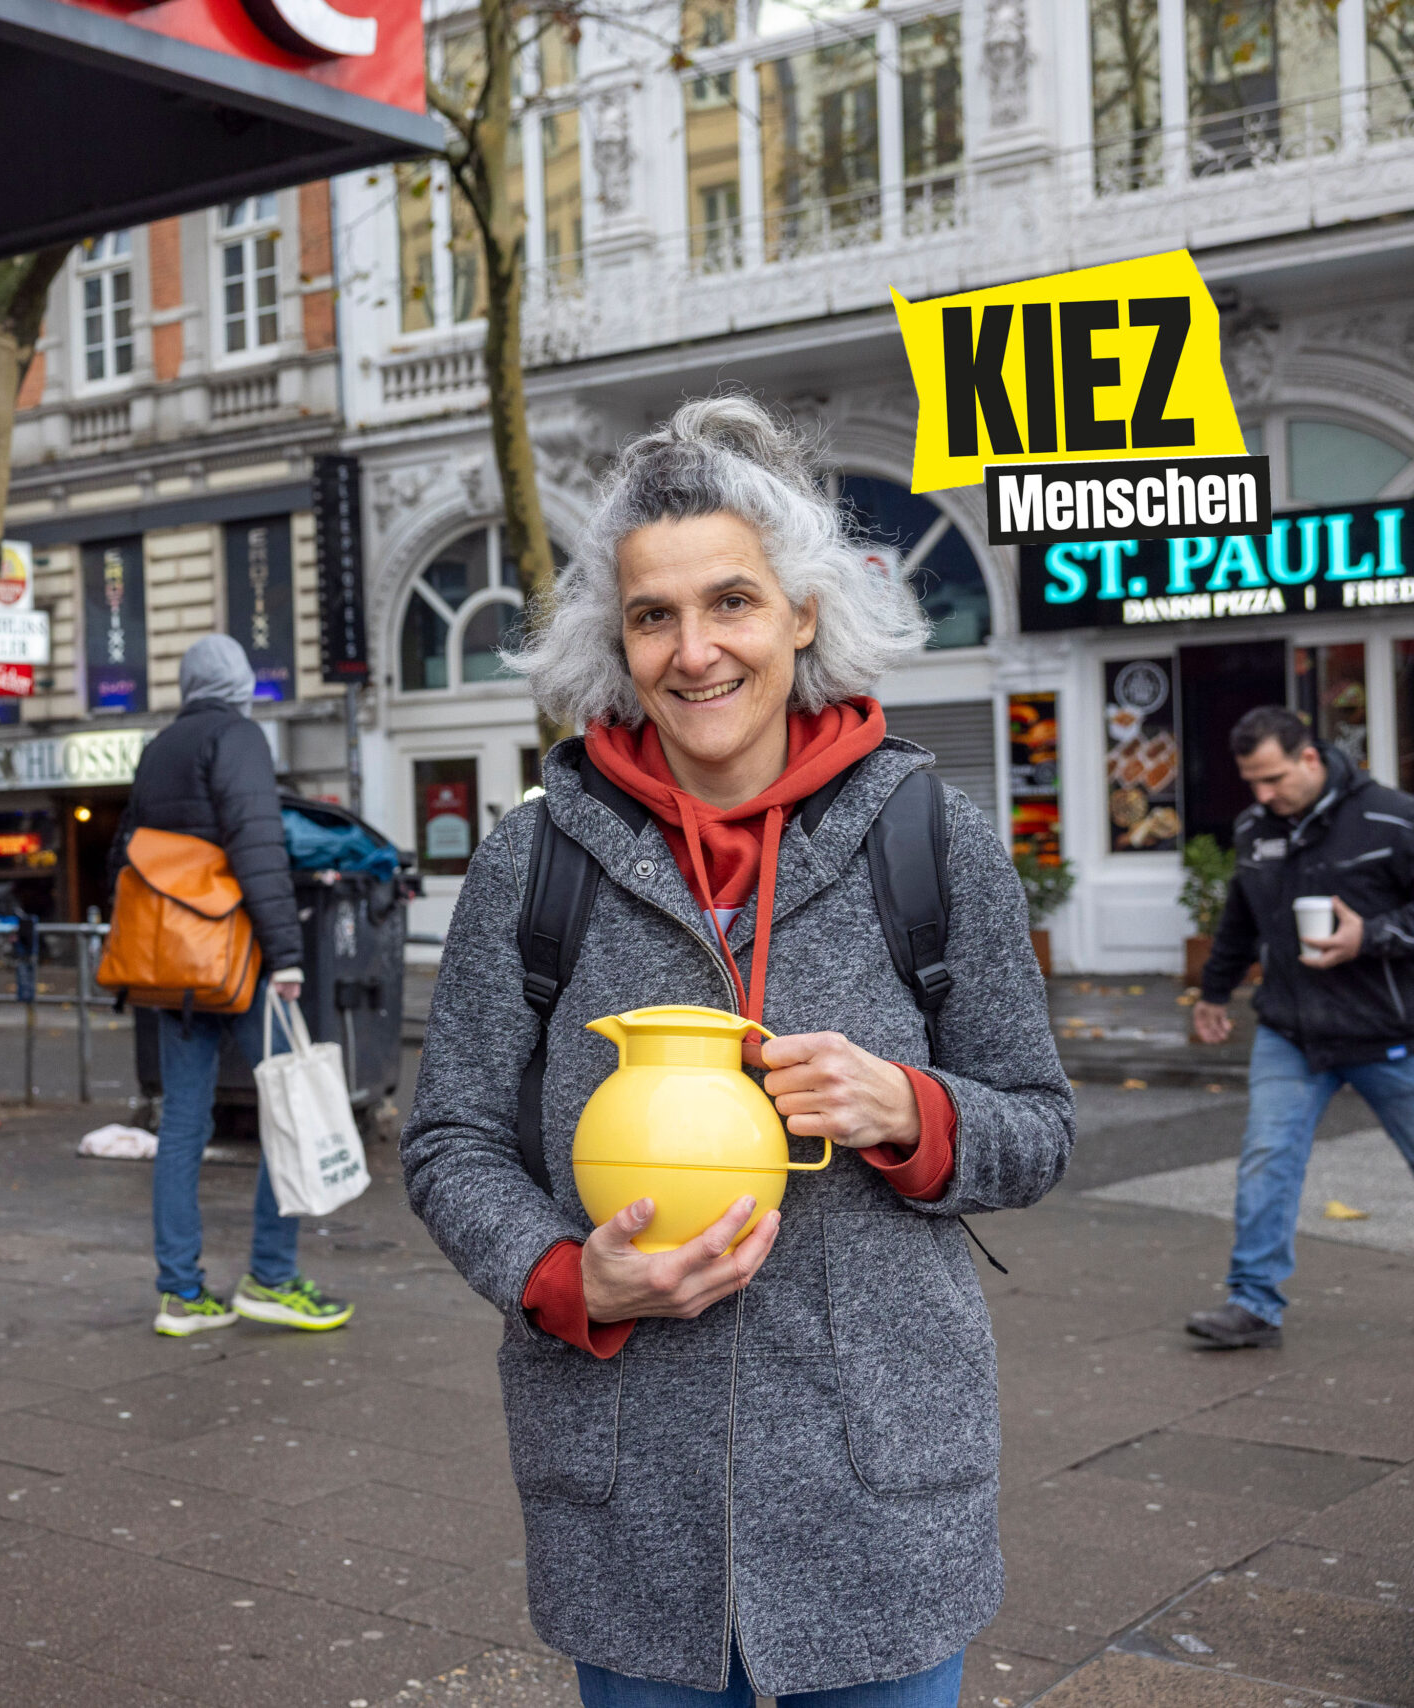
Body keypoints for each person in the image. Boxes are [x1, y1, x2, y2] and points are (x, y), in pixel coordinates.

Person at [400, 396, 1072, 1705]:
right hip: (629, 1506)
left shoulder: (931, 839)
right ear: (618, 638)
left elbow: (1038, 1125)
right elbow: (451, 1138)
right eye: (654, 616)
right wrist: (562, 1278)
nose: (695, 651)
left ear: (804, 612)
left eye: (733, 603)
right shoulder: (531, 861)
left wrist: (911, 1109)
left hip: (881, 1495)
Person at [111, 634, 352, 1337]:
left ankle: (181, 1292)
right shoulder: (238, 737)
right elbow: (257, 843)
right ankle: (271, 1277)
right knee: (287, 1108)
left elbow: (126, 853)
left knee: (182, 1123)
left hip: (175, 971)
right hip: (240, 959)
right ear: (239, 682)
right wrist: (286, 954)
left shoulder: (159, 749)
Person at [1186, 706, 1414, 1350]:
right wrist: (1214, 990)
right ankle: (1252, 1303)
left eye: (1274, 778)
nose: (1263, 795)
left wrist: (1370, 935)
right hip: (1290, 1031)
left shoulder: (1393, 818)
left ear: (1310, 758)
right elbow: (1240, 915)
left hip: (1388, 1031)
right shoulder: (1256, 827)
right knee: (1267, 1160)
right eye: (1252, 782)